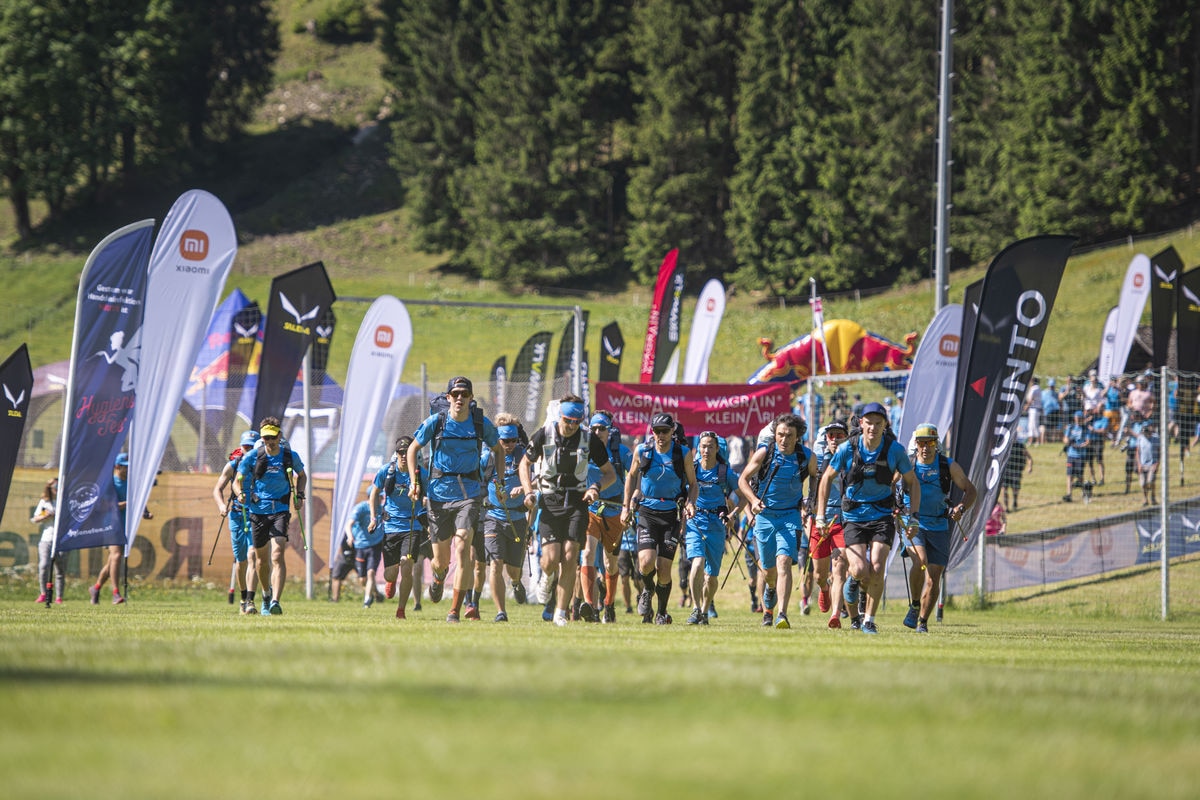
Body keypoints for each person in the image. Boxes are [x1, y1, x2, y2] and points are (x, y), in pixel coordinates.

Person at [816, 402, 918, 635]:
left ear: (885, 425)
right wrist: (820, 516)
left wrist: (913, 516)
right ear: (861, 423)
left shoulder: (895, 450)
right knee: (861, 569)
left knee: (878, 566)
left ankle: (869, 620)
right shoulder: (847, 449)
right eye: (869, 422)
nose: (873, 427)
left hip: (882, 515)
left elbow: (912, 482)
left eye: (878, 423)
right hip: (853, 516)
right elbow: (825, 479)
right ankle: (853, 582)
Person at [407, 377, 503, 624]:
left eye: (464, 394)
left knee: (462, 546)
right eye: (455, 393)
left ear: (471, 398)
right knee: (441, 561)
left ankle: (455, 610)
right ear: (448, 397)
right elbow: (412, 449)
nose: (460, 398)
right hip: (439, 495)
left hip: (469, 494)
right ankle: (439, 577)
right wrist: (414, 482)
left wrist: (499, 482)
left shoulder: (480, 423)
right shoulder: (437, 422)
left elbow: (499, 449)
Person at [520, 395, 617, 626]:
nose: (572, 426)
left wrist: (595, 487)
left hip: (577, 501)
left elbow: (609, 474)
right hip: (550, 500)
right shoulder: (544, 434)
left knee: (571, 555)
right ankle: (548, 577)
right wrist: (527, 492)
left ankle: (561, 613)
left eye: (576, 421)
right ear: (560, 417)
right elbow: (524, 463)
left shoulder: (589, 440)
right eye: (568, 420)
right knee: (551, 559)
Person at [737, 413, 818, 629]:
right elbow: (742, 479)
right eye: (780, 434)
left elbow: (815, 476)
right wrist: (753, 501)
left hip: (790, 516)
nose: (784, 439)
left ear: (797, 436)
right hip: (764, 517)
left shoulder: (806, 457)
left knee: (784, 563)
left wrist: (810, 501)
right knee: (768, 571)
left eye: (789, 435)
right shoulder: (765, 453)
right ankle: (769, 600)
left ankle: (781, 614)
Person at [620, 412, 698, 625]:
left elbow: (693, 484)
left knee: (664, 570)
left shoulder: (682, 453)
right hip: (647, 512)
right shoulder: (643, 451)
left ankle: (662, 612)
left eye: (665, 431)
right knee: (645, 563)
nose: (661, 435)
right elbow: (631, 477)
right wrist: (626, 507)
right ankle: (647, 589)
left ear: (673, 431)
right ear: (652, 432)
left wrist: (690, 503)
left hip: (671, 514)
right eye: (657, 431)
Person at [900, 423, 976, 634]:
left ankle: (923, 622)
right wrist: (895, 506)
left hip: (940, 525)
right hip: (914, 523)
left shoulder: (948, 466)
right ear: (916, 444)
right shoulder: (908, 464)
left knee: (934, 578)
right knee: (921, 561)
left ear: (937, 444)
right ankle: (915, 605)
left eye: (930, 443)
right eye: (922, 443)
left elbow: (970, 491)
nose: (926, 447)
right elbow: (889, 486)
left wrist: (961, 507)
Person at [237, 417, 306, 616]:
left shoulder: (289, 456)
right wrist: (241, 493)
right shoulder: (252, 456)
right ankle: (265, 594)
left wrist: (299, 495)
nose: (270, 441)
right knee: (261, 561)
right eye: (266, 437)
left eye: (273, 437)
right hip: (258, 512)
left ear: (279, 436)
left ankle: (275, 600)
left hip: (280, 510)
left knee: (277, 554)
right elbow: (237, 481)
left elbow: (302, 476)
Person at [684, 431, 742, 625]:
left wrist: (732, 516)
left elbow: (742, 497)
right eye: (703, 446)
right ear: (697, 448)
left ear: (717, 449)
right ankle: (694, 608)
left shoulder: (725, 472)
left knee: (711, 576)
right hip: (695, 522)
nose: (706, 450)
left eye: (710, 446)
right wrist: (686, 506)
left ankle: (705, 610)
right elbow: (682, 492)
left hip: (717, 526)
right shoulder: (691, 469)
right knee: (697, 563)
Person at [371, 436, 430, 620]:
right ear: (396, 454)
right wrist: (374, 518)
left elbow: (431, 496)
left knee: (407, 566)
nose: (404, 456)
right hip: (390, 526)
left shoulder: (421, 474)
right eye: (400, 453)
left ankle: (401, 610)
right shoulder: (386, 471)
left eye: (407, 452)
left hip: (412, 526)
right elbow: (373, 494)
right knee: (391, 574)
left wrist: (426, 502)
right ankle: (390, 582)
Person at [480, 415, 530, 622]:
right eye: (505, 441)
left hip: (518, 518)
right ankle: (501, 612)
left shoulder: (525, 456)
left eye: (513, 441)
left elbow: (542, 479)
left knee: (513, 571)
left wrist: (526, 489)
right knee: (495, 564)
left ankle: (517, 583)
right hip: (493, 516)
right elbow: (475, 479)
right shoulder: (488, 456)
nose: (509, 445)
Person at [584, 412, 632, 623]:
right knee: (587, 554)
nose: (597, 433)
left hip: (614, 512)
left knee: (610, 564)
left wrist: (631, 503)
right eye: (593, 428)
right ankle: (589, 606)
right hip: (591, 510)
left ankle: (609, 605)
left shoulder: (621, 452)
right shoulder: (584, 451)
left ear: (610, 430)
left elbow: (636, 474)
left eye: (601, 429)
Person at [90, 452, 151, 606]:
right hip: (111, 524)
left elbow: (139, 500)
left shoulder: (131, 483)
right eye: (124, 467)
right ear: (117, 466)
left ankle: (96, 588)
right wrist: (130, 503)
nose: (127, 470)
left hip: (125, 526)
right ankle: (116, 593)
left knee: (112, 560)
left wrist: (145, 512)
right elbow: (109, 507)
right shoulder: (109, 484)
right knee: (116, 556)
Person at [213, 429, 259, 614]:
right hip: (237, 516)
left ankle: (251, 601)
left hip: (257, 515)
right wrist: (221, 506)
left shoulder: (262, 465)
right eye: (245, 446)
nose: (248, 450)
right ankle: (243, 598)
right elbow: (217, 489)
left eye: (251, 447)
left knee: (253, 556)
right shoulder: (233, 465)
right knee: (241, 561)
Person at [809, 420, 849, 628]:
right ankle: (824, 589)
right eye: (831, 435)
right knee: (819, 575)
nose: (835, 439)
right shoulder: (816, 462)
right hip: (820, 520)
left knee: (840, 566)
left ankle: (835, 614)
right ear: (826, 439)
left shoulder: (852, 460)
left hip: (843, 520)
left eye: (839, 435)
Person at [33, 478, 64, 604]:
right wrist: (46, 516)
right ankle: (43, 593)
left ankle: (59, 597)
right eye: (54, 486)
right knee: (44, 565)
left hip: (61, 540)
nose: (56, 489)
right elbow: (35, 518)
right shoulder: (45, 502)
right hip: (46, 539)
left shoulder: (64, 502)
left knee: (60, 569)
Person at [1062, 410, 1088, 503]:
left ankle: (1084, 492)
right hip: (1071, 455)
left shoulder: (1085, 428)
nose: (1077, 420)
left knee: (1080, 476)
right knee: (1069, 475)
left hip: (1080, 455)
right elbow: (1065, 438)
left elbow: (1088, 441)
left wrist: (1081, 446)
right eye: (1076, 418)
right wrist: (1068, 441)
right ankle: (1069, 494)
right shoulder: (1071, 427)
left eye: (1079, 419)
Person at [1001, 437, 1033, 510]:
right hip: (1006, 471)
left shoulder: (1020, 446)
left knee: (1015, 489)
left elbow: (1029, 457)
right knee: (1004, 489)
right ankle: (1006, 508)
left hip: (1016, 471)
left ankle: (1015, 501)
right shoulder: (1004, 445)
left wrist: (1030, 466)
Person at [1137, 421, 1161, 506]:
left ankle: (1153, 497)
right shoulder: (1140, 438)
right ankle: (1145, 499)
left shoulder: (1156, 438)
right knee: (1143, 483)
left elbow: (1159, 452)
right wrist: (1139, 464)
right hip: (1143, 464)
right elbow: (1138, 452)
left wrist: (1157, 463)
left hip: (1152, 464)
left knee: (1150, 481)